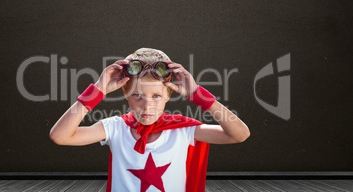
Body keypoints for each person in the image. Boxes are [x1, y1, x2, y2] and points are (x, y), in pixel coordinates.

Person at [50, 48, 250, 192]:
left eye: (156, 96)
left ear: (168, 95)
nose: (147, 106)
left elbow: (240, 134)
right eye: (137, 96)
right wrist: (98, 91)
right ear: (125, 94)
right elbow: (60, 136)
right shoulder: (115, 128)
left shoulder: (183, 130)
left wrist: (198, 94)